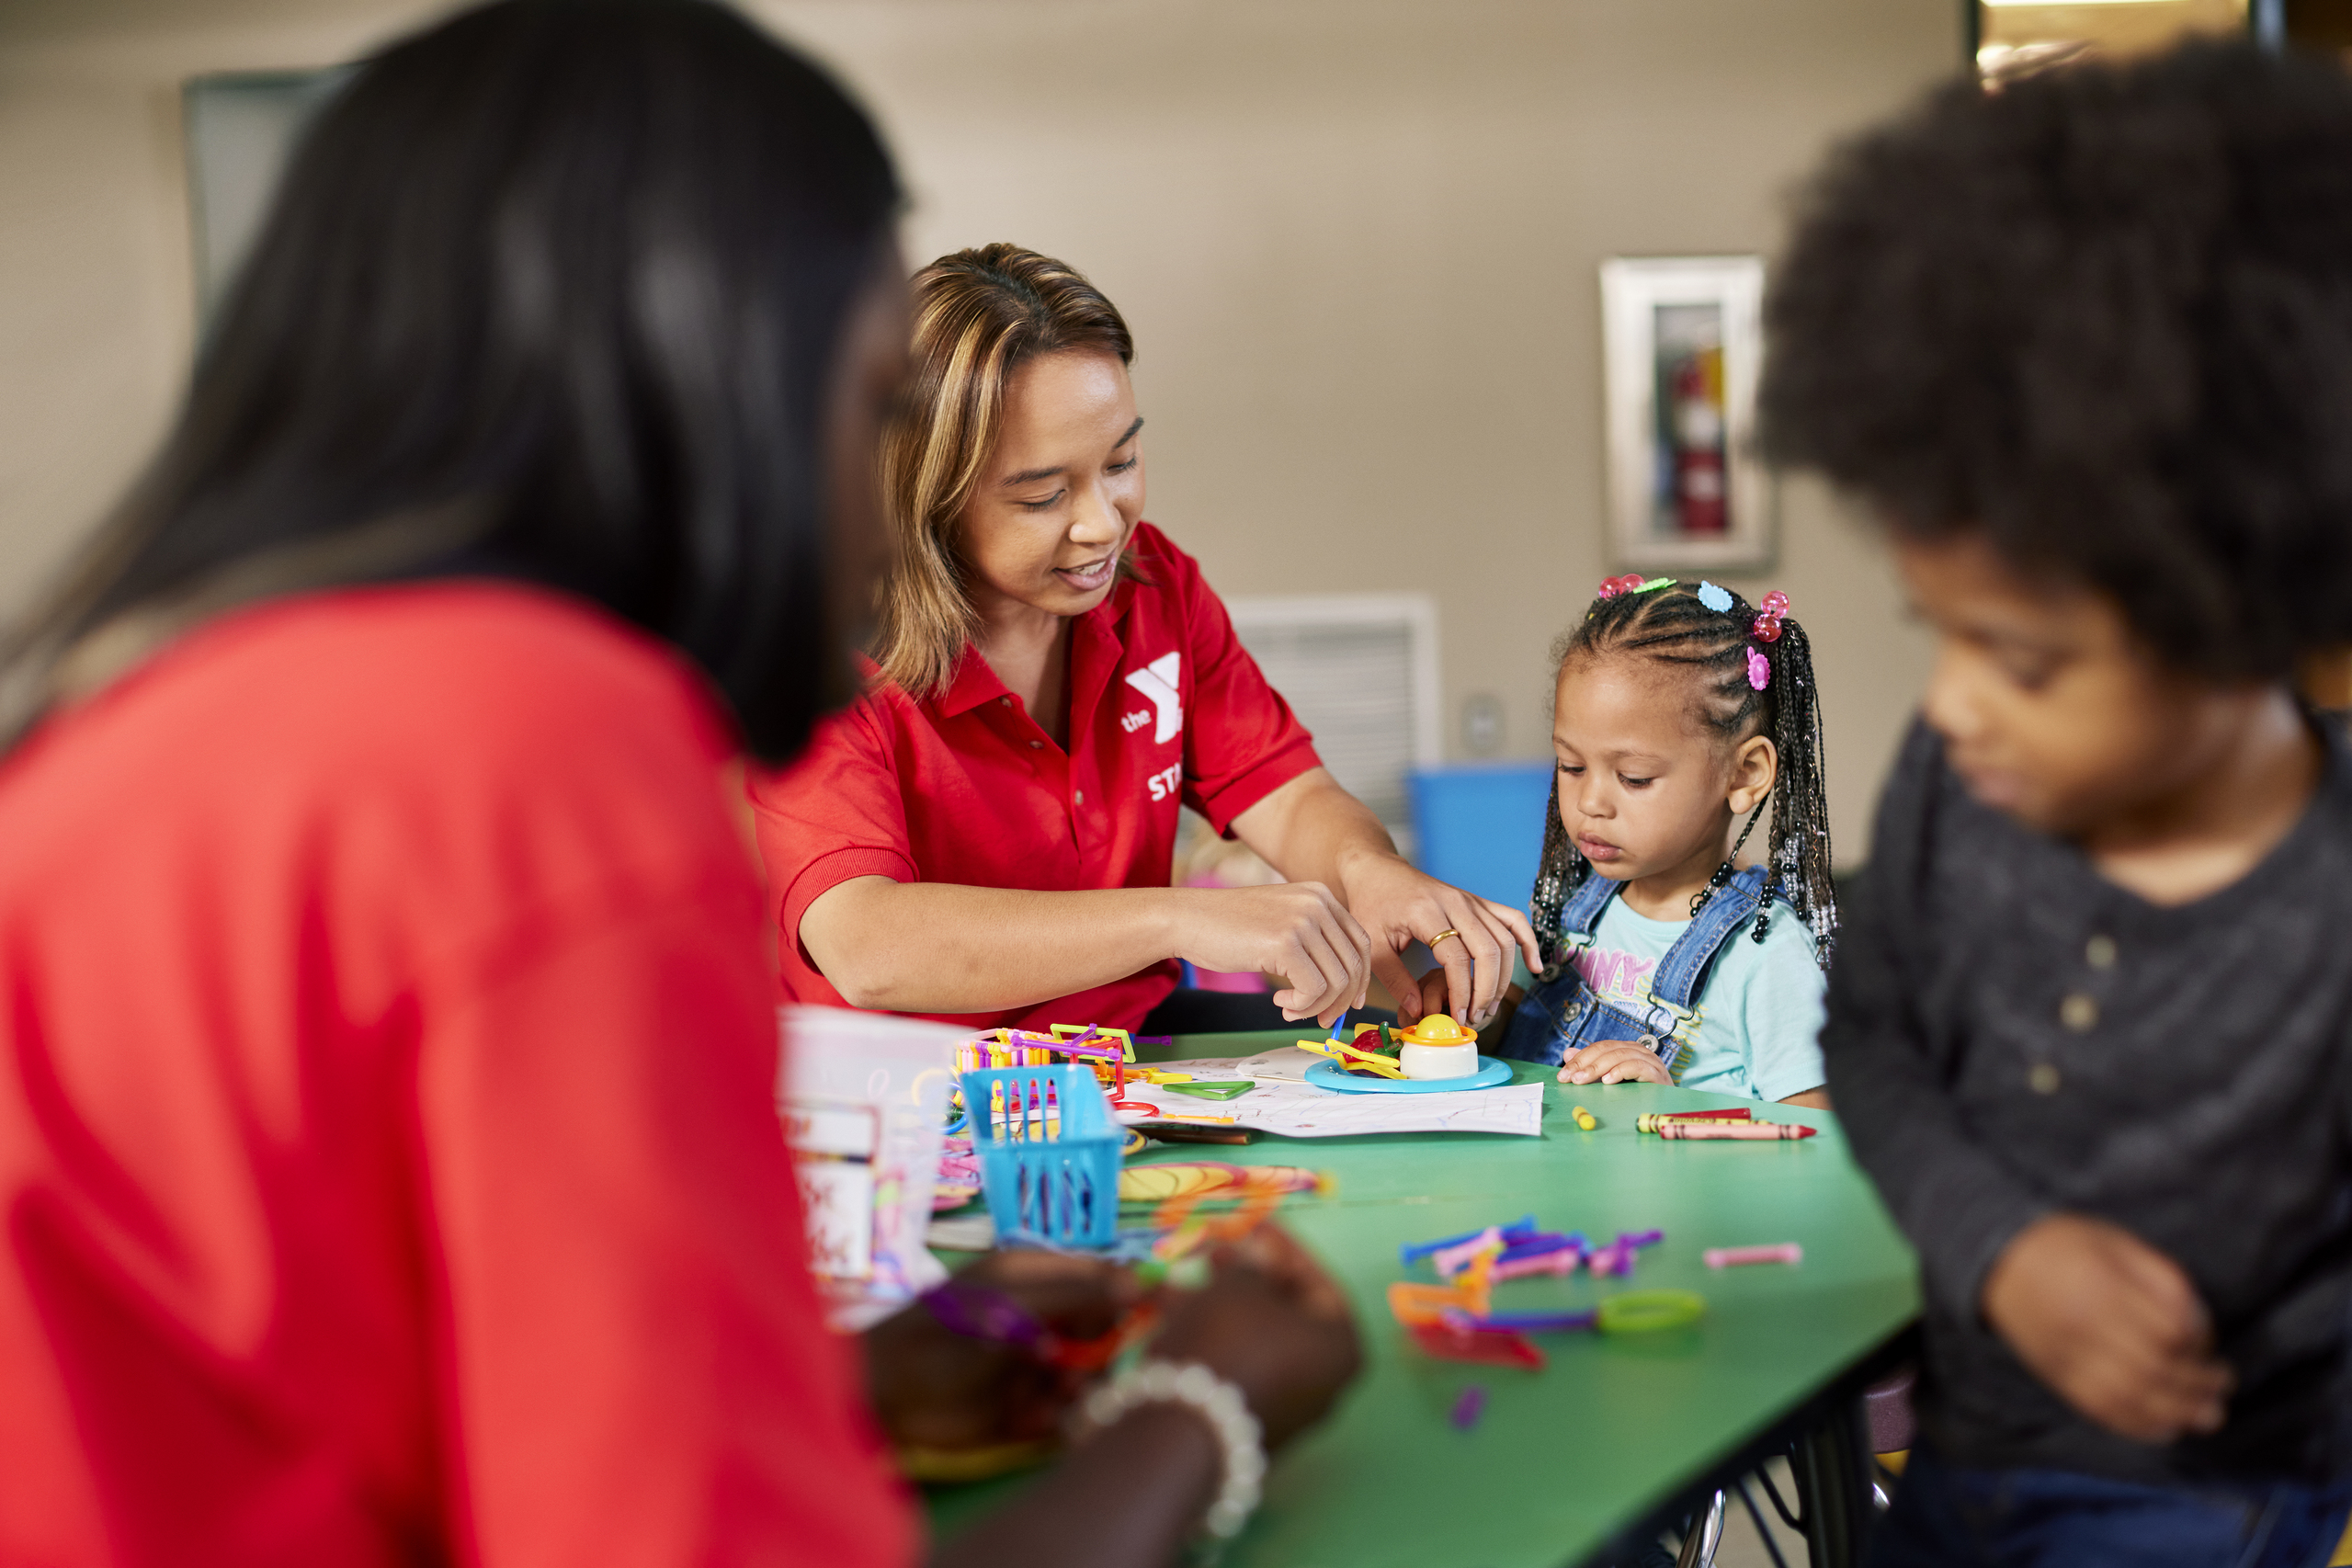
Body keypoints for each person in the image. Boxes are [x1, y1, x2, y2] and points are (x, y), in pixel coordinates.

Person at [0, 5, 1358, 1566]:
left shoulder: (129, 718)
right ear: (715, 393)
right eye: (865, 414)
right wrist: (1204, 1405)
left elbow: (357, 1386)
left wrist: (836, 1376)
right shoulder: (537, 765)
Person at [1759, 40, 2352, 1568]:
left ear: (2230, 618)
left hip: (2200, 1509)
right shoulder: (1972, 781)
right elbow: (1874, 1036)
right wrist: (2000, 1246)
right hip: (1961, 1463)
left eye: (2016, 659)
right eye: (1936, 632)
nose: (1949, 704)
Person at [749, 244, 1540, 1037]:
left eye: (1121, 460)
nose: (1103, 523)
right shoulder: (819, 650)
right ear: (929, 495)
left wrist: (1370, 873)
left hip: (1123, 1039)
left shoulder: (1155, 583)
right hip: (911, 1077)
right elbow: (864, 945)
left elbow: (1288, 794)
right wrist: (1175, 920)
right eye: (1044, 495)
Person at [1485, 576, 1837, 1107]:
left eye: (1635, 778)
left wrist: (1670, 1106)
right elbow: (1497, 1044)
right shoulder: (1568, 907)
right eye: (1572, 766)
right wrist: (1462, 1019)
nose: (1591, 803)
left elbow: (1814, 1146)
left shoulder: (1765, 955)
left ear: (1743, 775)